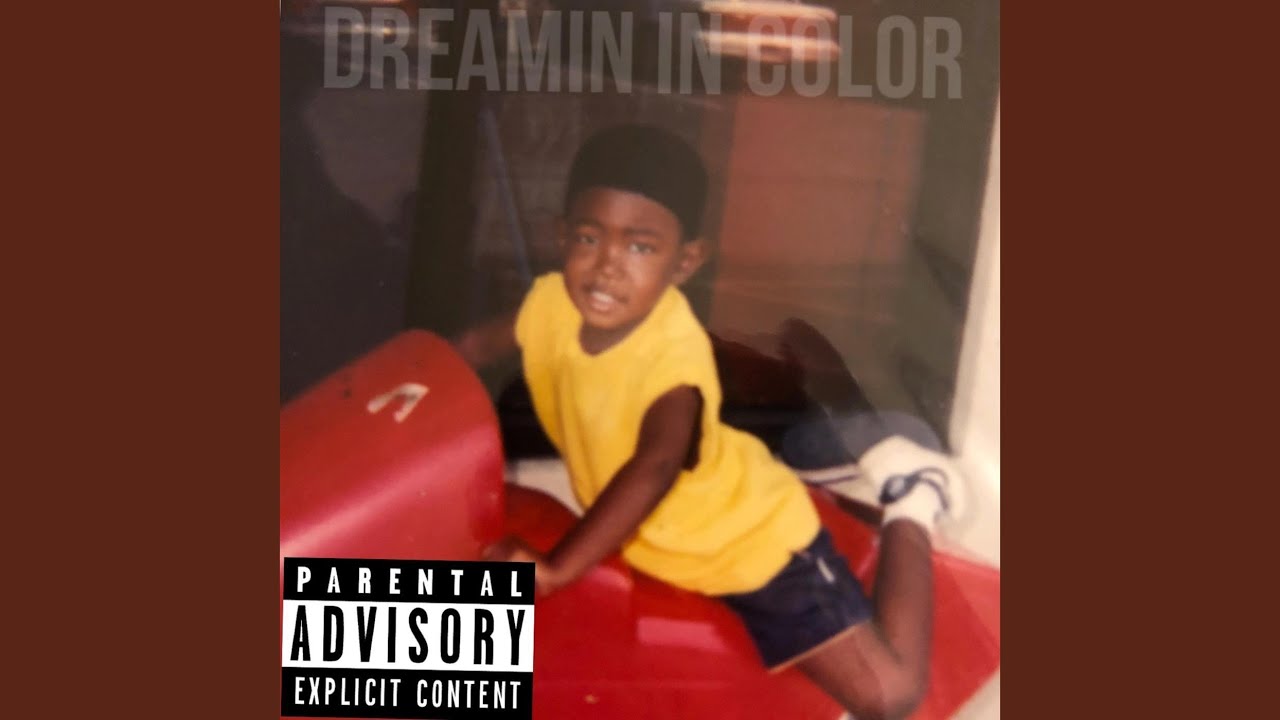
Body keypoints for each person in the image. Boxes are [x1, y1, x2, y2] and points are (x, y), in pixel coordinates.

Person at [459, 124, 965, 720]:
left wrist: (558, 568)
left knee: (889, 694)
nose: (607, 267)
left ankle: (912, 494)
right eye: (590, 238)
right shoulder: (549, 303)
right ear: (561, 234)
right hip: (665, 542)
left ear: (685, 261)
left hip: (746, 546)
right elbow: (467, 348)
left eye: (640, 248)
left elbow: (655, 465)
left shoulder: (674, 356)